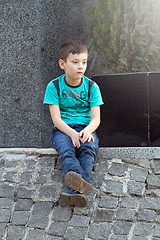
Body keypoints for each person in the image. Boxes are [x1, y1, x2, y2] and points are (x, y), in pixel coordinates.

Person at [43, 40, 103, 207]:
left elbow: (96, 118)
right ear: (62, 64)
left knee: (88, 149)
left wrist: (87, 131)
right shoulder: (54, 86)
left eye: (84, 62)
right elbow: (56, 119)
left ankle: (73, 191)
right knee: (67, 151)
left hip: (86, 129)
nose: (80, 66)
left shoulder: (92, 87)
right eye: (75, 62)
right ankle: (80, 186)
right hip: (63, 130)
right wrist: (71, 133)